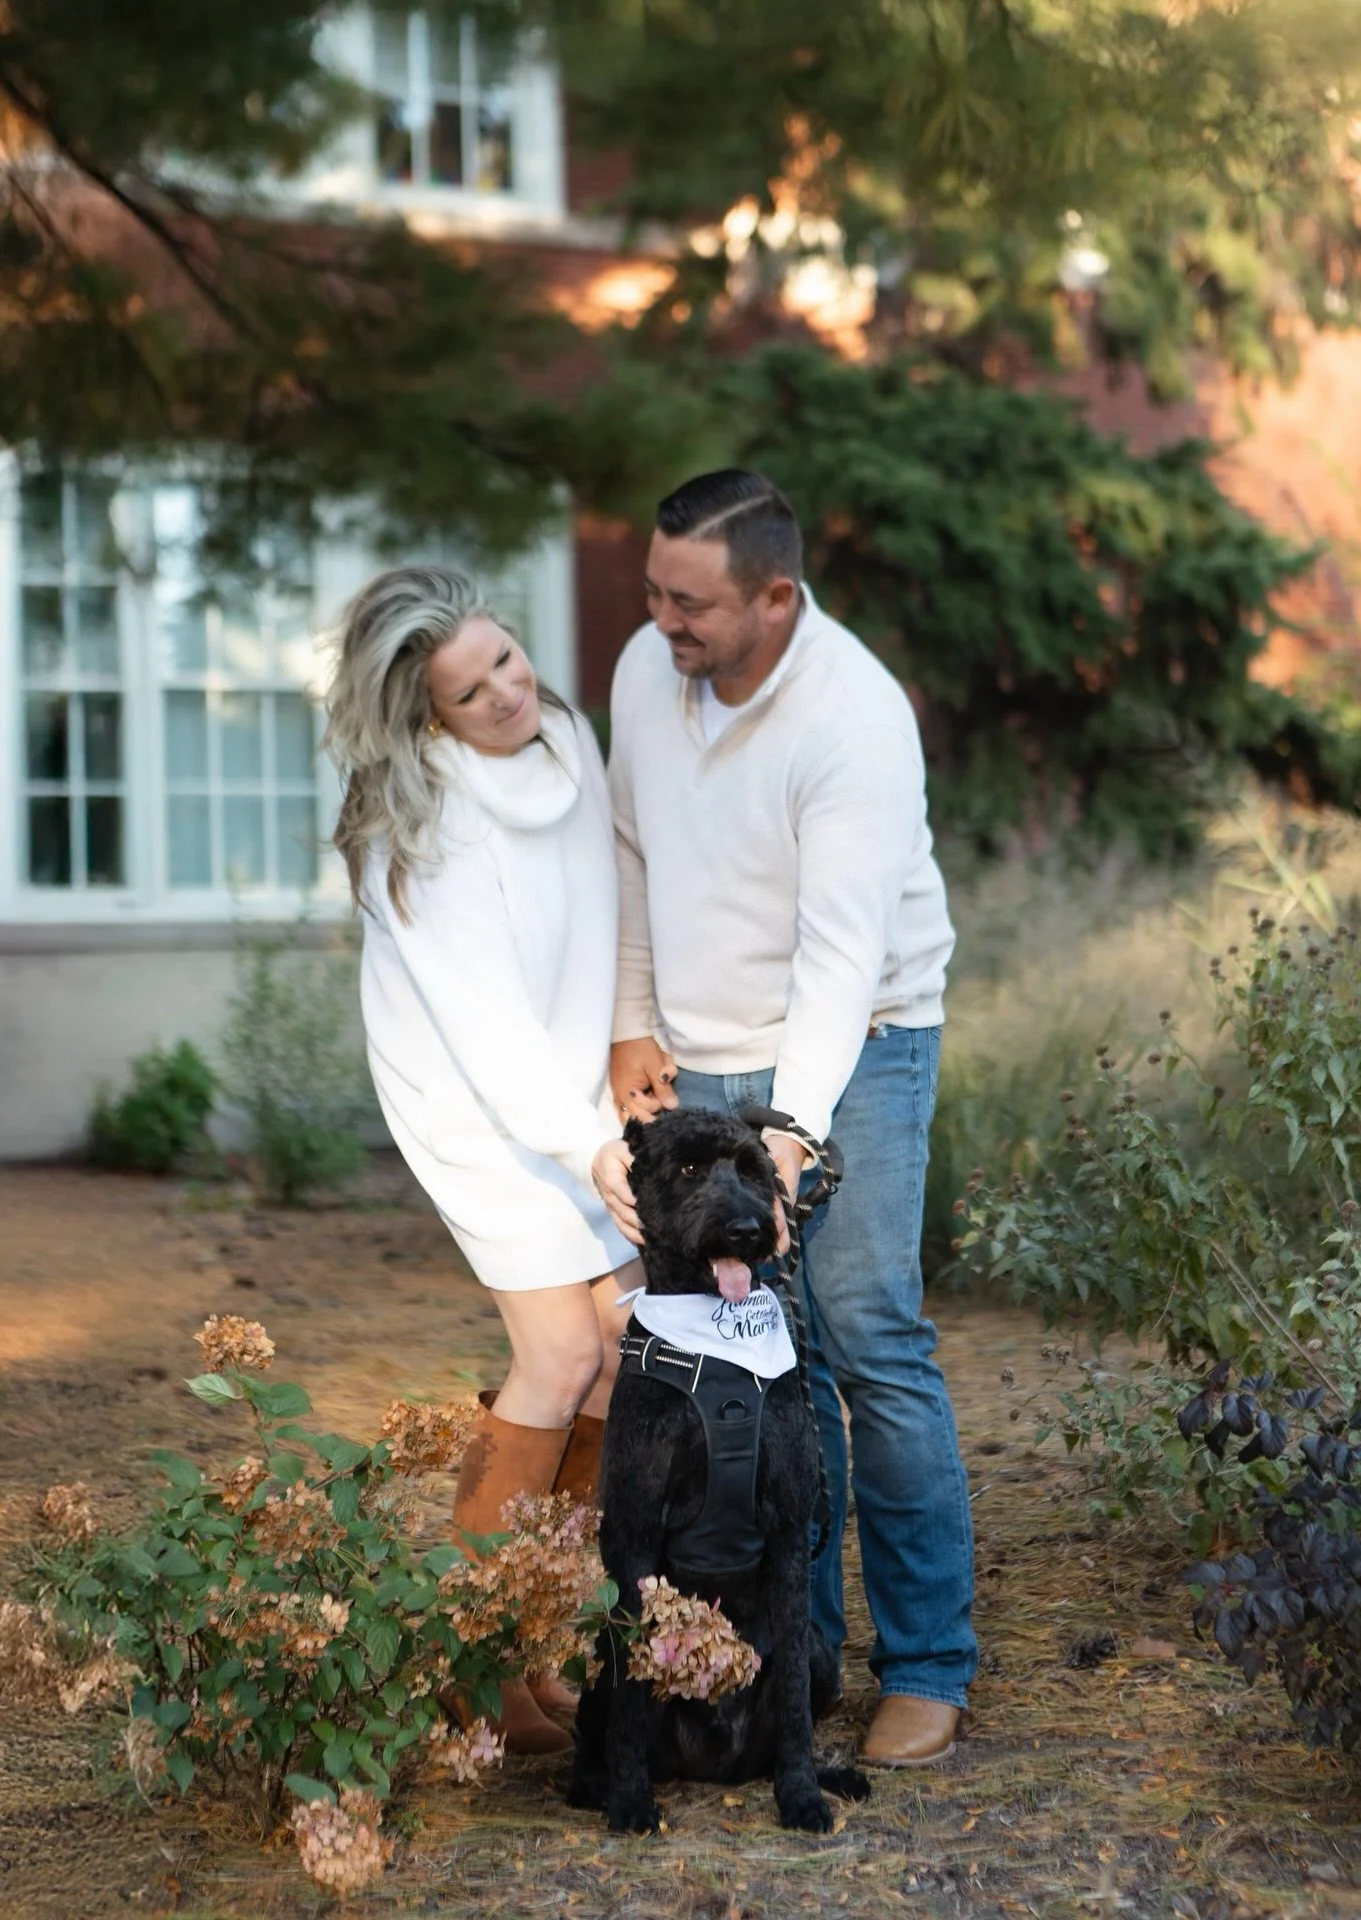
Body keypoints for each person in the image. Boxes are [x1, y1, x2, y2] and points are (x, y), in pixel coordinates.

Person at [593, 471, 978, 1767]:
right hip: (702, 1051)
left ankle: (927, 1664)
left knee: (867, 1342)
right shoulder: (652, 669)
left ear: (777, 596)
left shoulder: (855, 720)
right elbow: (633, 851)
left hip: (854, 1042)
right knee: (758, 1357)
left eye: (689, 601)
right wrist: (634, 1015)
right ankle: (790, 1669)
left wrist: (794, 1133)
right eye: (653, 591)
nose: (659, 623)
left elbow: (842, 957)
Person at [324, 564, 637, 1755]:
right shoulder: (424, 828)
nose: (508, 692)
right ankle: (468, 1666)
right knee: (560, 1354)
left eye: (506, 657)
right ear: (426, 717)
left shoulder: (567, 736)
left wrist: (619, 1057)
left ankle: (534, 1644)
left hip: (574, 1096)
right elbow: (485, 1027)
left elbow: (608, 904)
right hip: (481, 1109)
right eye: (471, 690)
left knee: (616, 1364)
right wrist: (585, 1144)